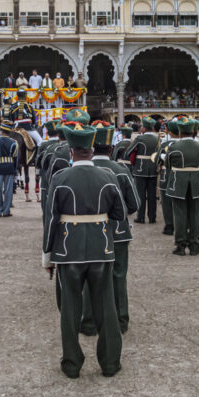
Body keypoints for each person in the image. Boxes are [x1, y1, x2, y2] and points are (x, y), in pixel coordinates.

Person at [43, 125, 126, 378]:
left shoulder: (60, 178)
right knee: (106, 307)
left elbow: (50, 220)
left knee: (70, 308)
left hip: (69, 249)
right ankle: (110, 362)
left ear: (71, 151)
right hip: (101, 247)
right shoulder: (108, 176)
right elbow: (121, 213)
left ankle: (72, 363)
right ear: (91, 150)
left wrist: (47, 256)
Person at [89, 124, 139, 333]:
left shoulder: (78, 171)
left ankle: (90, 320)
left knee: (89, 276)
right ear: (111, 148)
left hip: (88, 231)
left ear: (91, 147)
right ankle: (120, 320)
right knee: (118, 275)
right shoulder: (120, 170)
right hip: (117, 230)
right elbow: (135, 204)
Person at [164, 117, 199, 256]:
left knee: (180, 214)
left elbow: (167, 164)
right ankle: (194, 245)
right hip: (197, 182)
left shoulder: (173, 147)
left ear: (180, 132)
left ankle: (181, 245)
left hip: (178, 182)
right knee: (195, 214)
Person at [130, 118, 160, 225]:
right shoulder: (158, 139)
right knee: (152, 195)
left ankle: (140, 217)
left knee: (141, 194)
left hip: (140, 168)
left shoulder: (139, 138)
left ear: (144, 127)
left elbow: (129, 151)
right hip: (153, 168)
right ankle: (152, 217)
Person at [0, 122, 18, 217]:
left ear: (1, 131)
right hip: (9, 168)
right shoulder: (14, 142)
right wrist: (15, 169)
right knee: (8, 190)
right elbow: (16, 158)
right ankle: (6, 211)